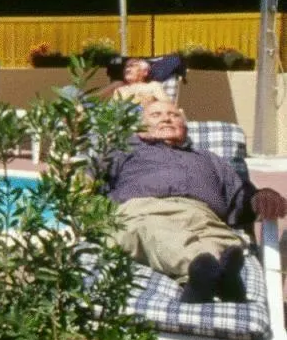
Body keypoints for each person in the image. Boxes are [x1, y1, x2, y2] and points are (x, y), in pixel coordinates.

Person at [103, 99, 286, 303]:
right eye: (156, 115)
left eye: (173, 115)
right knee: (157, 232)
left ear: (185, 127)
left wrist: (260, 196)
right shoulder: (125, 150)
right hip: (143, 210)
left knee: (222, 240)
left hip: (202, 216)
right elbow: (91, 175)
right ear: (140, 128)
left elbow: (239, 196)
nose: (166, 119)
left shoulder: (209, 159)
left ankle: (204, 284)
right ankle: (211, 275)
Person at [94, 57, 169, 107]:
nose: (127, 69)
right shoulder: (118, 85)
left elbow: (167, 105)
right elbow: (94, 98)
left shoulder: (152, 86)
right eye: (126, 67)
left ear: (145, 72)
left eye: (132, 66)